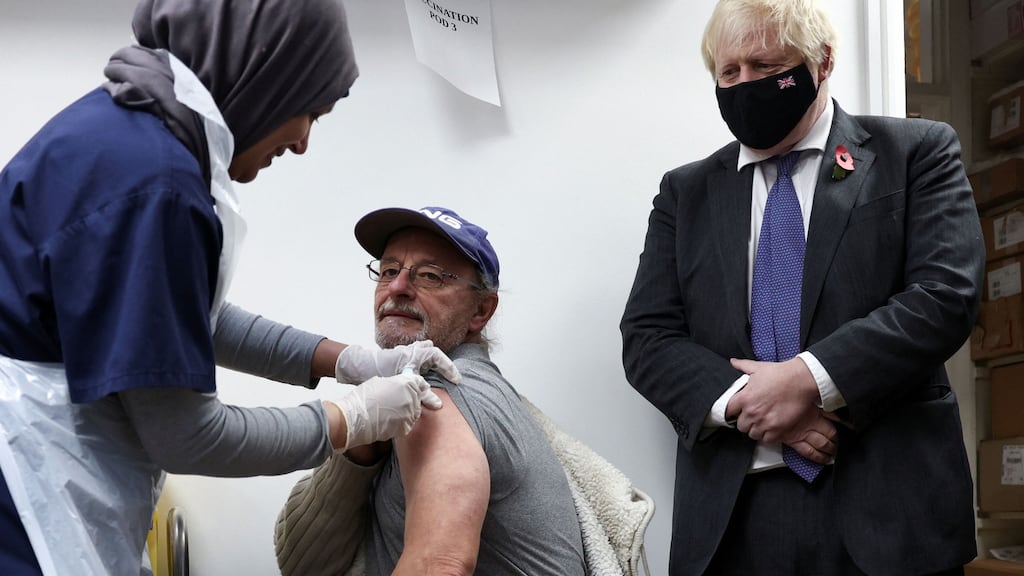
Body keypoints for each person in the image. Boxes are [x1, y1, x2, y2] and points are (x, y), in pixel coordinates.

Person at [0, 1, 460, 574]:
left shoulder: (123, 131)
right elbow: (188, 437)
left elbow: (176, 317)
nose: (302, 143)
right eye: (310, 112)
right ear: (266, 75)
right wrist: (351, 417)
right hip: (26, 494)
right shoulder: (153, 183)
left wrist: (349, 362)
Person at [620, 1, 984, 575]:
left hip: (890, 507)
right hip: (731, 520)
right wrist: (755, 405)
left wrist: (807, 381)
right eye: (728, 71)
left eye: (764, 65)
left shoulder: (915, 153)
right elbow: (648, 338)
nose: (744, 84)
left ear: (822, 61)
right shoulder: (685, 193)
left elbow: (945, 295)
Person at [274, 206, 588, 576]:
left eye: (429, 276)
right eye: (389, 270)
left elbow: (439, 565)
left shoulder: (440, 390)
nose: (397, 288)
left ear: (481, 311)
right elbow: (304, 565)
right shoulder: (396, 395)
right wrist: (361, 451)